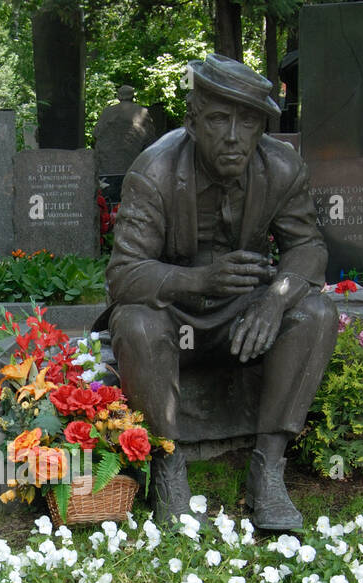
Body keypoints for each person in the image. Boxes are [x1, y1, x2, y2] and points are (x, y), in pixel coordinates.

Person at [104, 53, 337, 530]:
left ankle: (268, 469)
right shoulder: (154, 172)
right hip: (175, 315)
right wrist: (196, 280)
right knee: (135, 320)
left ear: (261, 128)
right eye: (217, 120)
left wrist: (277, 299)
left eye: (248, 122)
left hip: (244, 315)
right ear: (192, 122)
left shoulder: (282, 168)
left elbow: (308, 248)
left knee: (315, 312)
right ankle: (169, 469)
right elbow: (123, 276)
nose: (233, 136)